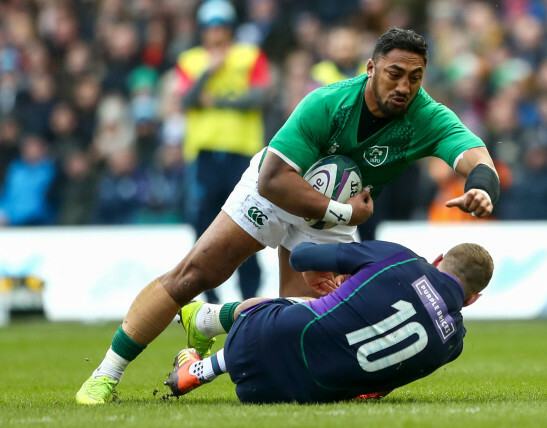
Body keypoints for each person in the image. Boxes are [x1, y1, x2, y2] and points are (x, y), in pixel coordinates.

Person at [76, 27, 500, 404]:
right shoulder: (327, 102)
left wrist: (481, 186)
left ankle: (207, 320)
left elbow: (476, 156)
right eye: (394, 74)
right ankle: (105, 375)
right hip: (281, 191)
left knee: (314, 320)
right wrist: (343, 210)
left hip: (336, 218)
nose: (404, 87)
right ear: (371, 68)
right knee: (195, 274)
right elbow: (272, 180)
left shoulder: (427, 117)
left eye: (415, 77)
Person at [164, 239, 494, 403]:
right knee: (329, 330)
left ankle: (200, 366)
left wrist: (333, 271)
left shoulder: (403, 258)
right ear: (473, 299)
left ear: (437, 261)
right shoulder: (455, 343)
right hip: (286, 394)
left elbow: (302, 256)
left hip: (257, 340)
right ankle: (202, 340)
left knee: (299, 307)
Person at [176, 0, 270, 303]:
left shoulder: (250, 56)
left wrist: (214, 100)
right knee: (204, 230)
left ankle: (249, 298)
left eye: (221, 27)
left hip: (242, 155)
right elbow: (187, 100)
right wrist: (208, 72)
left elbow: (256, 98)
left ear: (229, 28)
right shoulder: (191, 60)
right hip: (205, 156)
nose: (215, 33)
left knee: (247, 226)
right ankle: (210, 300)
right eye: (210, 27)